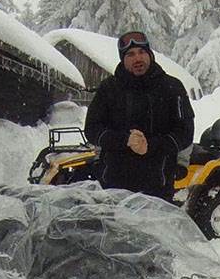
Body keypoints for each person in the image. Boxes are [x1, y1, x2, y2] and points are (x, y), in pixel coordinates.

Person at [83, 31, 194, 201]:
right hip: (114, 187)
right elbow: (92, 129)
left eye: (142, 52)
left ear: (150, 54)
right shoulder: (108, 89)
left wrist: (150, 145)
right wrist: (124, 140)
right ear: (123, 58)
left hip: (158, 187)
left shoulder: (172, 87)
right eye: (130, 54)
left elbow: (185, 132)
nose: (137, 59)